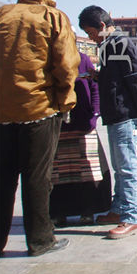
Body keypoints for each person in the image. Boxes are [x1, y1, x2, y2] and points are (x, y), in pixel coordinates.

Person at [0, 0, 80, 257]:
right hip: (39, 110)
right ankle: (41, 240)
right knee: (37, 178)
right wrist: (65, 103)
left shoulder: (1, 16)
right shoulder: (52, 17)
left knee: (2, 179)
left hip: (0, 113)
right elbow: (66, 66)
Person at [78, 6, 137, 239]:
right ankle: (118, 209)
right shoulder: (108, 46)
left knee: (127, 166)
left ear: (102, 26)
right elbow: (117, 78)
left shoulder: (120, 44)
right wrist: (98, 76)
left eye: (91, 33)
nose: (91, 38)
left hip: (124, 114)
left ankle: (131, 216)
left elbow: (136, 78)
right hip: (114, 114)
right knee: (120, 166)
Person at [50, 46, 111, 227]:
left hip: (83, 124)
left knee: (87, 172)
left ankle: (87, 211)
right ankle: (58, 213)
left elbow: (94, 88)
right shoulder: (50, 60)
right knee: (57, 173)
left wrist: (95, 114)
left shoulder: (83, 59)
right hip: (58, 125)